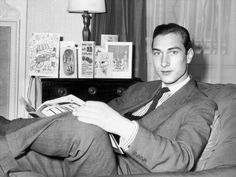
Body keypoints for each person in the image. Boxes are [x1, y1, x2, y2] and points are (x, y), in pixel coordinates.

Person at [0, 23, 217, 177]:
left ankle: (7, 129)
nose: (164, 62)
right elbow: (103, 113)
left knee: (87, 129)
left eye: (173, 52)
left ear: (188, 56)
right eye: (157, 53)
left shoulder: (200, 104)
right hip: (83, 157)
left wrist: (121, 126)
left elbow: (182, 159)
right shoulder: (141, 88)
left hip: (123, 170)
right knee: (14, 155)